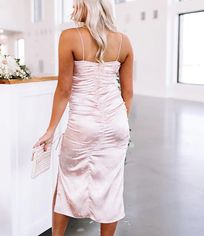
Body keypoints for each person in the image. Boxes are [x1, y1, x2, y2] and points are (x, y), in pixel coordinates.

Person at [33, 0, 133, 235]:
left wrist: (50, 130)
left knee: (66, 184)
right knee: (112, 187)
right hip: (117, 124)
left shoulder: (69, 36)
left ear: (88, 6)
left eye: (77, 3)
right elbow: (127, 93)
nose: (73, 8)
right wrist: (118, 121)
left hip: (83, 125)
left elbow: (64, 90)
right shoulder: (124, 41)